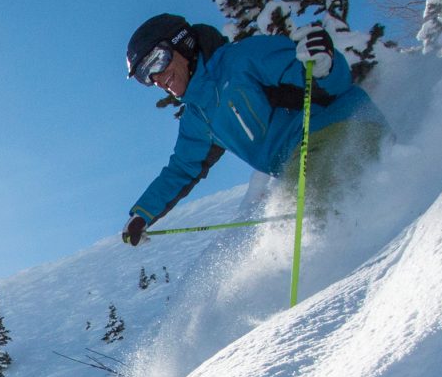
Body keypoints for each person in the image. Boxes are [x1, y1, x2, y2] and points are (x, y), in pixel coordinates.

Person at [119, 13, 387, 247]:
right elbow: (181, 171)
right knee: (288, 225)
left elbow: (330, 83)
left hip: (345, 129)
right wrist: (142, 214)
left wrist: (323, 64)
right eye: (145, 76)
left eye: (156, 62)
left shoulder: (243, 60)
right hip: (301, 168)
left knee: (311, 213)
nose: (155, 79)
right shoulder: (198, 117)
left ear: (182, 44)